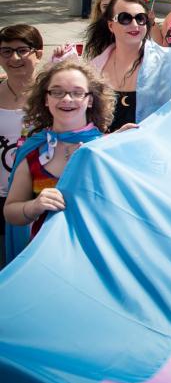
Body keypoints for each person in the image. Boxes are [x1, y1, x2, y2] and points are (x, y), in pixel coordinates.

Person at [3, 60, 113, 262]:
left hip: (94, 260)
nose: (67, 99)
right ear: (46, 99)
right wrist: (34, 206)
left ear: (90, 100)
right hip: (44, 261)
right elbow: (11, 211)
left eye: (78, 92)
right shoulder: (33, 151)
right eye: (57, 91)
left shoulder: (108, 149)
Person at [84, 0, 171, 132]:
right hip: (106, 149)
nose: (135, 25)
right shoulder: (94, 68)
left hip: (151, 147)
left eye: (140, 18)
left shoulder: (167, 60)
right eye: (125, 18)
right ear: (111, 25)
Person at [0, 25, 43, 257]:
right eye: (6, 51)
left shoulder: (53, 96)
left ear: (38, 53)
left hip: (36, 197)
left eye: (22, 50)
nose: (14, 58)